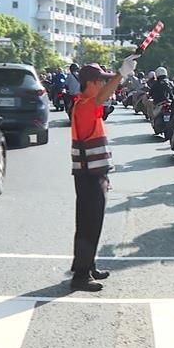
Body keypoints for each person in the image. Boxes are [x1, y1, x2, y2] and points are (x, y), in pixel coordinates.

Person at [68, 55, 139, 291]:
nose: (104, 85)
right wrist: (121, 74)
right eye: (101, 81)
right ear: (92, 83)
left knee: (92, 223)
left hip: (93, 173)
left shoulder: (85, 104)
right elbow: (103, 96)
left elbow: (103, 97)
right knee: (89, 224)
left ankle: (88, 266)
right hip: (89, 176)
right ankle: (81, 275)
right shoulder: (85, 105)